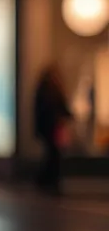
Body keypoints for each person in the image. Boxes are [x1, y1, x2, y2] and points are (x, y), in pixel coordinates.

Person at [34, 65, 72, 196]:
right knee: (53, 155)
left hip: (49, 128)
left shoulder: (46, 89)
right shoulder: (50, 90)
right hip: (51, 127)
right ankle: (48, 181)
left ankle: (47, 181)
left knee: (52, 154)